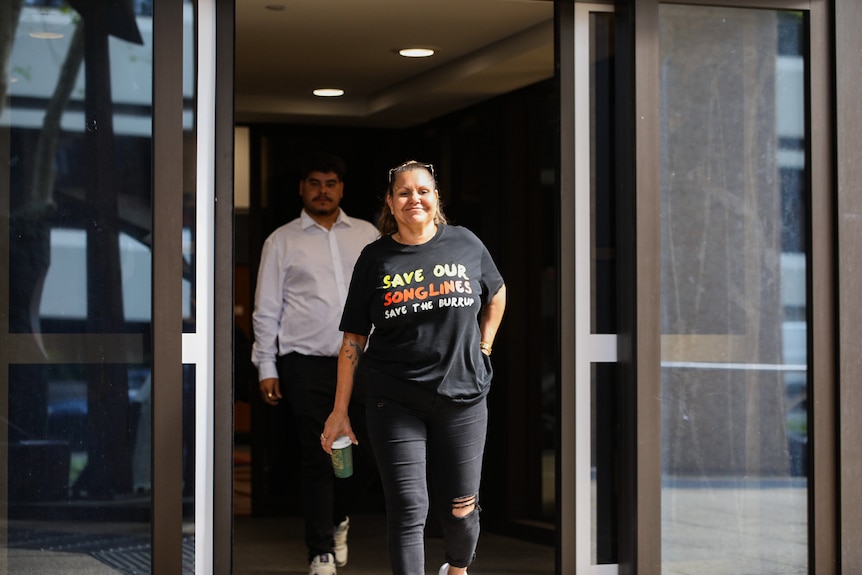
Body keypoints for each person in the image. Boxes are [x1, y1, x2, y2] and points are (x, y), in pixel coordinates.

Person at [321, 160, 507, 575]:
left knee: (461, 509)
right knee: (408, 506)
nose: (414, 199)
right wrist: (339, 412)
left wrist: (484, 345)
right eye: (403, 192)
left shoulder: (466, 243)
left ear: (435, 197)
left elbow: (496, 293)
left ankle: (457, 569)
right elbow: (353, 338)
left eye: (422, 190)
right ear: (390, 202)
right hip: (395, 399)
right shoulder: (376, 258)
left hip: (463, 397)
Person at [251, 151, 379, 575]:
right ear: (301, 188)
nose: (322, 191)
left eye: (330, 184)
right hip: (305, 363)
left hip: (364, 363)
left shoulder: (368, 235)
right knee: (318, 455)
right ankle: (320, 549)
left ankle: (339, 518)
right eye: (314, 183)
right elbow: (266, 309)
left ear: (341, 189)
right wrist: (265, 365)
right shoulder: (281, 240)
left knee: (367, 455)